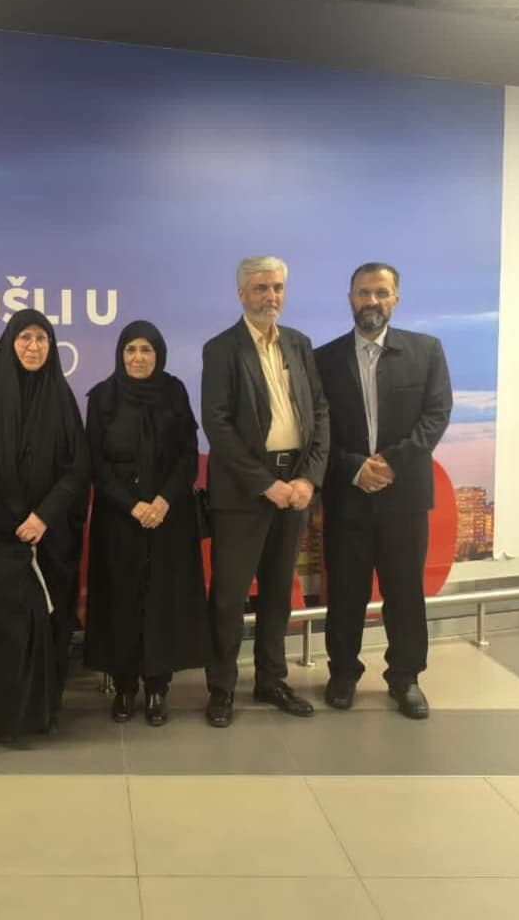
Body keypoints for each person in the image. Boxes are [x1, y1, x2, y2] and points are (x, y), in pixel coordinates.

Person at [315, 262, 453, 720]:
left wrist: (392, 462)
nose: (371, 301)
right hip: (348, 494)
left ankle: (406, 678)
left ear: (395, 298)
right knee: (345, 593)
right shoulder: (323, 360)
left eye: (380, 292)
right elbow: (318, 429)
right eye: (363, 293)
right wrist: (356, 468)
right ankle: (343, 674)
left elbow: (436, 415)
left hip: (405, 498)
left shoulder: (426, 351)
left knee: (406, 592)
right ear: (350, 298)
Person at [200, 256, 329, 727]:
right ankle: (221, 688)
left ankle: (272, 680)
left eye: (277, 287)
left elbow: (320, 413)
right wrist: (265, 484)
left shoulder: (300, 344)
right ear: (242, 294)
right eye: (260, 288)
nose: (271, 296)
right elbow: (217, 424)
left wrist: (307, 479)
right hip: (243, 494)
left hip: (294, 487)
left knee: (278, 594)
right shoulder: (221, 349)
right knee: (230, 597)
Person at [0, 309, 90, 742]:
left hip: (49, 539)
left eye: (41, 339)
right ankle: (4, 719)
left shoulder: (61, 397)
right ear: (9, 343)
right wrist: (12, 523)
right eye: (25, 338)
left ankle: (42, 711)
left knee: (48, 626)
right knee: (4, 632)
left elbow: (77, 467)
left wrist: (43, 517)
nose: (33, 347)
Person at [84, 321, 208, 726]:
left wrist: (162, 501)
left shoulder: (174, 392)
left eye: (146, 350)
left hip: (168, 517)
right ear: (120, 353)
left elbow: (187, 455)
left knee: (162, 600)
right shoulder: (103, 397)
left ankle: (158, 687)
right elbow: (95, 462)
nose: (138, 358)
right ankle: (124, 686)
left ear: (159, 355)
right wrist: (133, 505)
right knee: (121, 599)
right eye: (131, 349)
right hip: (119, 518)